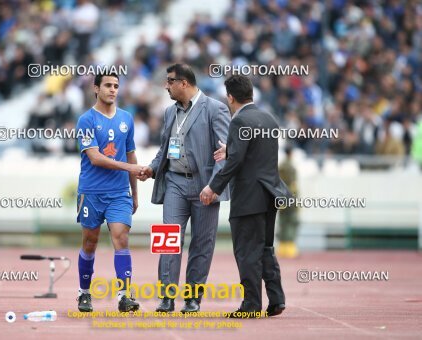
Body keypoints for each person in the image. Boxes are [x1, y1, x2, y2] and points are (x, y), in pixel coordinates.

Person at [138, 63, 231, 313]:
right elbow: (165, 149)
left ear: (184, 83)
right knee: (168, 240)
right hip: (175, 183)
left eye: (169, 81)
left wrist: (214, 186)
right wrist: (152, 168)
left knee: (202, 243)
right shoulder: (170, 112)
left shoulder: (216, 109)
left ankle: (192, 298)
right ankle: (167, 297)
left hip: (206, 186)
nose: (166, 86)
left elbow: (224, 155)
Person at [201, 75, 290, 317]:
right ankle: (276, 298)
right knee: (265, 248)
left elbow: (236, 162)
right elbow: (257, 152)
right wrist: (232, 148)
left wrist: (213, 187)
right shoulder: (268, 119)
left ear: (230, 97)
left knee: (247, 251)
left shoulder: (239, 122)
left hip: (249, 198)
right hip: (270, 193)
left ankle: (251, 304)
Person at [75, 72, 144, 312]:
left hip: (118, 193)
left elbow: (131, 153)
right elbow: (95, 158)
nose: (113, 89)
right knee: (90, 242)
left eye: (116, 85)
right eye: (107, 85)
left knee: (121, 238)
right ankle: (84, 293)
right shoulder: (86, 120)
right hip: (91, 192)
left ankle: (124, 295)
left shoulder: (127, 118)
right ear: (96, 89)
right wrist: (130, 168)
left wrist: (134, 192)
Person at [277, 146, 300, 258]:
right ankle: (290, 249)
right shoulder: (290, 167)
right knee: (291, 223)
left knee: (282, 223)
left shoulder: (281, 165)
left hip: (281, 198)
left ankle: (282, 248)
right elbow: (293, 186)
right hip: (290, 198)